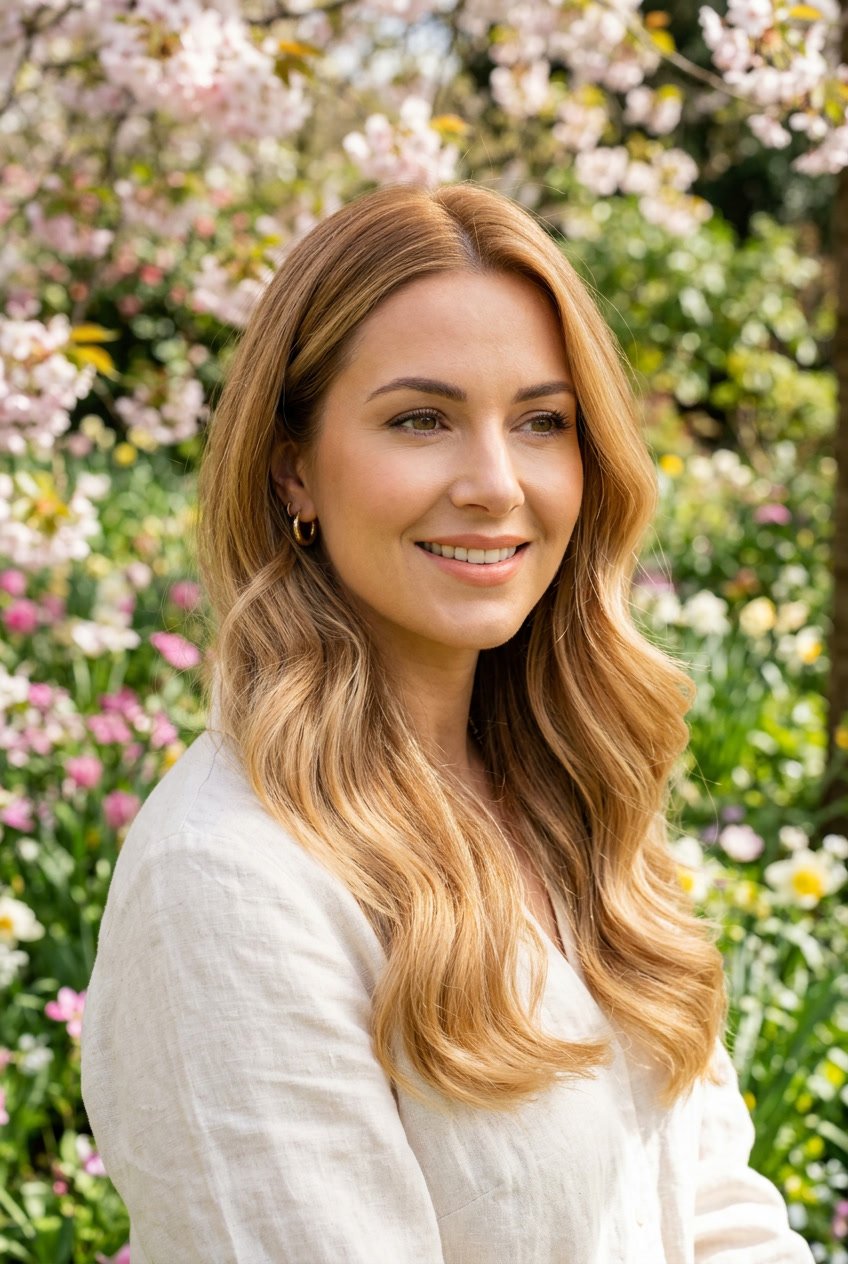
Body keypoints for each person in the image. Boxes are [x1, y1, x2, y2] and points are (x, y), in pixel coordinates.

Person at [80, 181, 814, 1264]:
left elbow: (715, 1207)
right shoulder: (229, 880)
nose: (493, 482)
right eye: (420, 419)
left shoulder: (572, 798)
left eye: (540, 421)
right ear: (293, 467)